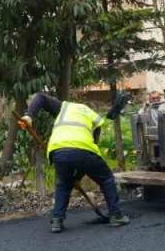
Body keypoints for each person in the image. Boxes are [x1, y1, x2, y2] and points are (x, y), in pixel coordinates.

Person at [21, 91, 130, 233]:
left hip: (57, 150)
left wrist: (29, 116)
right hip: (83, 149)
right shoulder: (93, 116)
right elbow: (87, 156)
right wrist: (79, 175)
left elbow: (41, 97)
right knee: (107, 179)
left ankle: (57, 221)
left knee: (64, 184)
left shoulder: (65, 108)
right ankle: (116, 215)